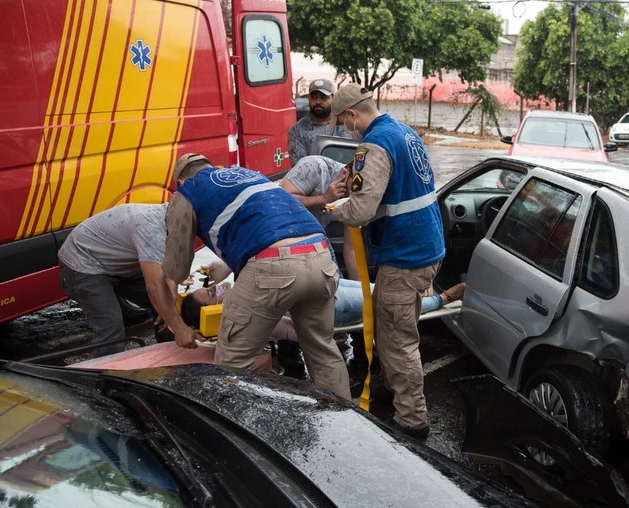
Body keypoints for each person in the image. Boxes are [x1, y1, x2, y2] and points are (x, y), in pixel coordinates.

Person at [162, 153, 350, 399]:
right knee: (323, 351)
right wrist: (228, 263)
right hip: (320, 255)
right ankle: (342, 422)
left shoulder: (188, 191)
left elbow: (177, 269)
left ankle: (236, 432)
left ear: (180, 181)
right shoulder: (247, 174)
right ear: (211, 166)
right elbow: (266, 225)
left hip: (273, 269)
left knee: (232, 363)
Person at [327, 83, 446, 438]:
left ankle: (412, 422)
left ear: (351, 114)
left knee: (398, 341)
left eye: (343, 120)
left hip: (406, 255)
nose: (344, 127)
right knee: (387, 321)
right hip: (424, 246)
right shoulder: (403, 132)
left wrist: (335, 208)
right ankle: (393, 387)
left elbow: (361, 210)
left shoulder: (373, 145)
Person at [57, 203, 196, 357]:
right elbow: (155, 286)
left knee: (166, 305)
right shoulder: (152, 228)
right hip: (82, 263)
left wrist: (170, 308)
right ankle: (104, 376)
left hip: (114, 263)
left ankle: (172, 359)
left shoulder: (177, 221)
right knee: (111, 327)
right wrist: (179, 328)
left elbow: (169, 271)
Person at [180, 278, 466, 331]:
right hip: (330, 307)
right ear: (211, 309)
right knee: (392, 305)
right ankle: (442, 299)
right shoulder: (242, 309)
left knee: (383, 291)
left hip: (326, 287)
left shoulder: (239, 287)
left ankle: (422, 294)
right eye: (208, 293)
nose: (213, 289)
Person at [280, 155, 360, 280]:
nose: (356, 193)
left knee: (337, 283)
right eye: (354, 187)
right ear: (345, 173)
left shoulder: (357, 198)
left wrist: (361, 291)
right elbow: (282, 200)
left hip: (315, 237)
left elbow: (351, 248)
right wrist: (324, 199)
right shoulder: (315, 167)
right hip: (284, 236)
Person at [287, 79, 348, 165]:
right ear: (308, 98)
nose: (318, 102)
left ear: (333, 98)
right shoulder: (297, 131)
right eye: (314, 97)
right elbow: (300, 168)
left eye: (323, 97)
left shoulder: (347, 125)